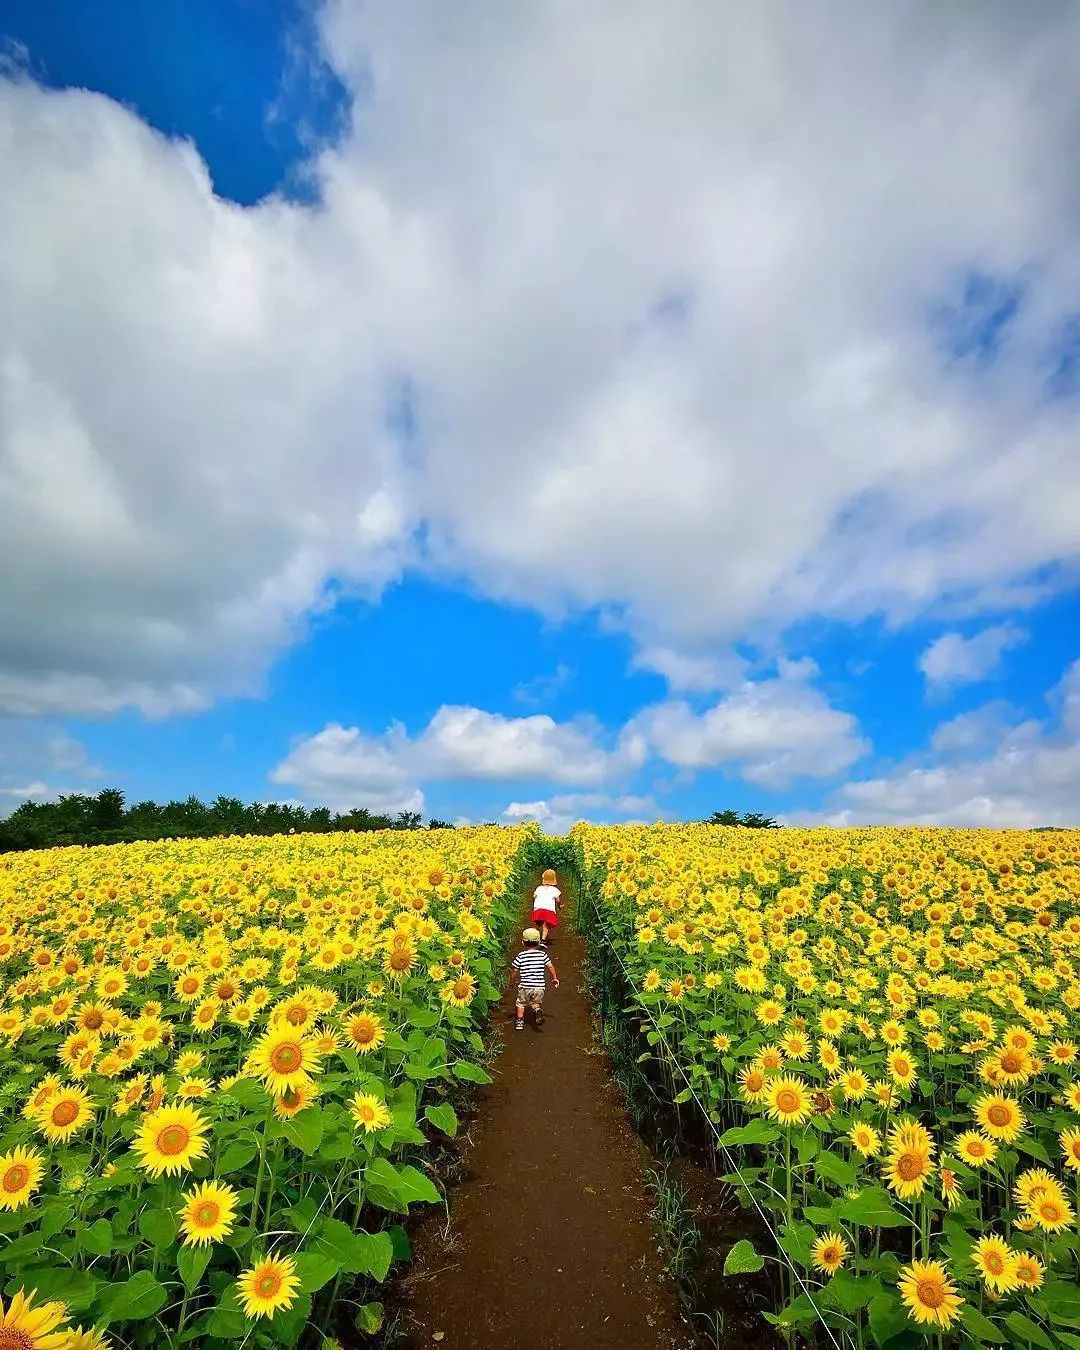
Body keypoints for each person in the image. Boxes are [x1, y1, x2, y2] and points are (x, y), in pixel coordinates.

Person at [511, 927, 559, 1031]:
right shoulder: (542, 955)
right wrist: (554, 978)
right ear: (538, 943)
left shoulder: (521, 956)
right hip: (539, 986)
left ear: (523, 943)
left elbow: (515, 970)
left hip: (525, 986)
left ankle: (519, 1022)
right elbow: (550, 966)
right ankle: (537, 1010)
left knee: (521, 1003)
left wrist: (511, 981)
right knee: (535, 1002)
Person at [531, 868, 561, 942]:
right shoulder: (554, 890)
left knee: (538, 925)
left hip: (538, 909)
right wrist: (559, 906)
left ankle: (532, 938)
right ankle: (543, 940)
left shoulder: (539, 888)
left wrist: (534, 904)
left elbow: (533, 896)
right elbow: (558, 900)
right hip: (548, 910)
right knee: (545, 926)